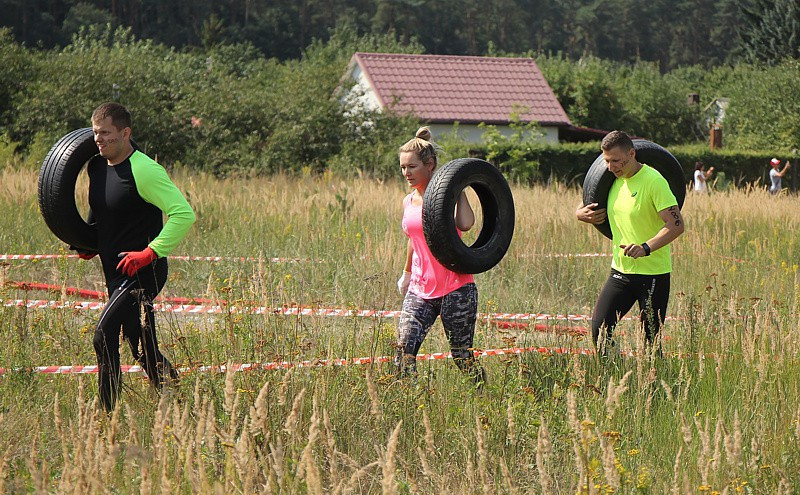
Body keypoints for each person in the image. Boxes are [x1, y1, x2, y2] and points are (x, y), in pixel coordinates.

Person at [72, 102, 196, 410]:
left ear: (125, 133)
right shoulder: (97, 167)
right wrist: (89, 242)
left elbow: (184, 215)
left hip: (144, 272)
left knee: (103, 334)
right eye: (95, 132)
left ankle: (105, 416)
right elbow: (100, 210)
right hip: (114, 271)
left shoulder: (145, 170)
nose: (98, 139)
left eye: (105, 133)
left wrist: (149, 253)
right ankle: (181, 407)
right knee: (141, 348)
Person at [576, 131, 685, 356]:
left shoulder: (654, 181)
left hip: (653, 273)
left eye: (616, 160)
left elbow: (676, 225)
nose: (610, 166)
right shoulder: (611, 181)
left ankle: (654, 385)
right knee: (599, 331)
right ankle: (617, 374)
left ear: (632, 153)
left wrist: (645, 248)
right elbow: (587, 202)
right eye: (606, 161)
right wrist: (579, 213)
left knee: (650, 343)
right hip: (621, 272)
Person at [395, 126, 485, 384]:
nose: (406, 173)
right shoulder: (407, 201)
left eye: (412, 167)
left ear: (430, 165)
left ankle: (481, 393)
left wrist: (457, 186)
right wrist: (406, 274)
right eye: (403, 167)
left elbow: (466, 224)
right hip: (420, 288)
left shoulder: (447, 197)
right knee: (404, 352)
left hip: (456, 288)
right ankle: (411, 403)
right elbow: (414, 240)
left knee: (461, 357)